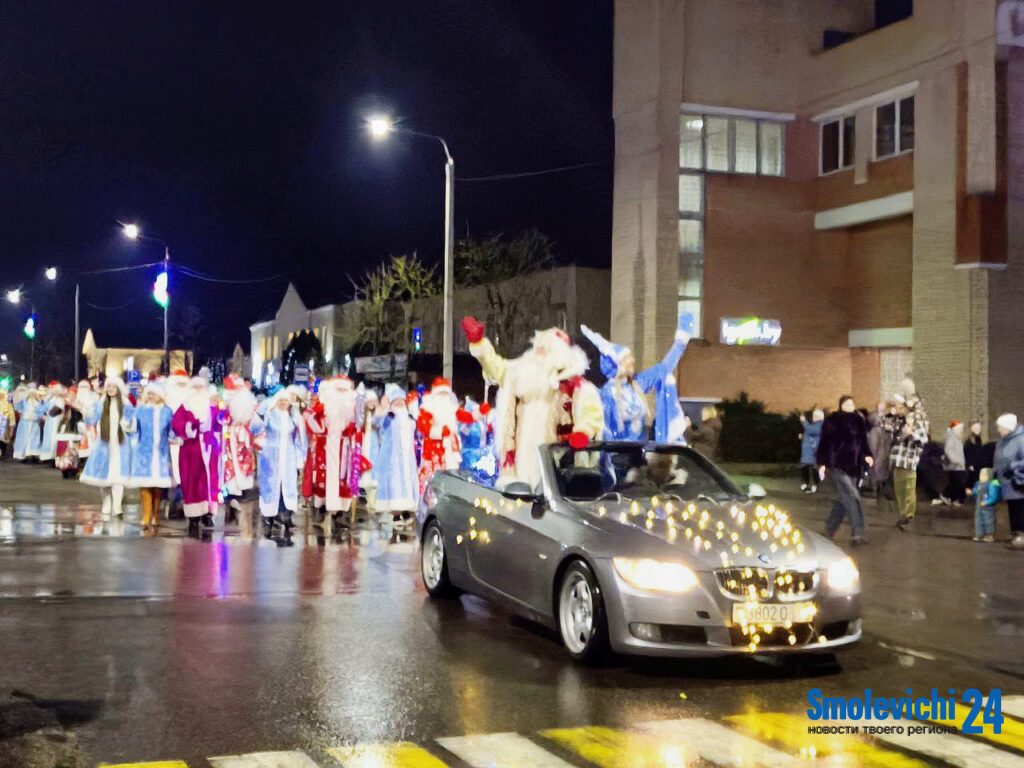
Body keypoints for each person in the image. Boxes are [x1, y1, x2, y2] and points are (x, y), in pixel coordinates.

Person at [462, 316, 604, 488]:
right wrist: (479, 344)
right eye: (538, 347)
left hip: (557, 461)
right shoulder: (518, 374)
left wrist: (583, 431)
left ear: (559, 354)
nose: (538, 351)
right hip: (521, 457)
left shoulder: (575, 386)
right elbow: (496, 366)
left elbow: (591, 412)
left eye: (544, 348)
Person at [578, 312, 694, 443]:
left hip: (638, 456)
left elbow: (663, 369)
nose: (632, 360)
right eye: (626, 358)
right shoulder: (603, 393)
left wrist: (680, 343)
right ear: (615, 364)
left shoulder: (637, 385)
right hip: (613, 457)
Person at [816, 395, 873, 545]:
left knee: (844, 499)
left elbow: (863, 442)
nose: (850, 405)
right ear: (841, 405)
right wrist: (822, 462)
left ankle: (829, 529)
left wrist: (867, 455)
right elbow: (824, 442)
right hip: (837, 465)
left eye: (852, 403)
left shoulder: (858, 420)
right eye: (847, 403)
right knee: (853, 496)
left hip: (854, 466)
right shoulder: (832, 421)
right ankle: (858, 533)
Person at [252, 389, 307, 543]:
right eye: (280, 400)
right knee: (271, 486)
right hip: (271, 457)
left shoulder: (294, 417)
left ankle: (286, 516)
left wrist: (299, 457)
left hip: (288, 457)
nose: (283, 403)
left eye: (285, 401)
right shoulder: (270, 415)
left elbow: (300, 438)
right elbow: (255, 429)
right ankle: (269, 517)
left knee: (288, 486)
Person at [172, 377, 224, 538]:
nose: (198, 391)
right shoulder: (185, 406)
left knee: (210, 482)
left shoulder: (211, 407)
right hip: (191, 449)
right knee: (192, 482)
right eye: (196, 388)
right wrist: (190, 426)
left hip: (209, 448)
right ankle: (193, 518)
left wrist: (222, 418)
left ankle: (208, 514)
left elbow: (220, 422)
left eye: (201, 388)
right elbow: (177, 424)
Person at [80, 377, 132, 517]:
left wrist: (127, 424)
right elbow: (91, 420)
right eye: (109, 387)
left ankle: (117, 506)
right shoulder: (101, 403)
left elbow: (132, 423)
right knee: (104, 477)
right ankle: (106, 502)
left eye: (113, 387)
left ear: (118, 389)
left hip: (121, 445)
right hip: (104, 444)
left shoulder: (126, 404)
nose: (110, 389)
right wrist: (87, 411)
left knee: (118, 477)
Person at [125, 382, 174, 532]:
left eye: (154, 394)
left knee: (158, 488)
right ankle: (145, 516)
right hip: (143, 452)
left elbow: (172, 431)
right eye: (150, 394)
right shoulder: (141, 410)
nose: (151, 396)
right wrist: (128, 424)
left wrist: (177, 437)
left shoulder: (167, 411)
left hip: (161, 453)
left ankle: (155, 515)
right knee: (144, 486)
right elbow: (133, 430)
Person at [372, 384, 420, 522]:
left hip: (408, 460)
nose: (399, 403)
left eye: (401, 401)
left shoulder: (410, 418)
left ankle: (407, 511)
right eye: (396, 401)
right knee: (395, 487)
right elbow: (376, 422)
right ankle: (396, 515)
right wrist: (382, 408)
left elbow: (419, 431)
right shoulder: (389, 417)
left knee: (409, 484)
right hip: (392, 461)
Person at [888, 379, 930, 530]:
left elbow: (923, 439)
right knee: (899, 490)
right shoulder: (899, 419)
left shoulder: (918, 417)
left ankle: (908, 516)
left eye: (900, 407)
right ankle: (902, 515)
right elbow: (888, 429)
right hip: (897, 459)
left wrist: (910, 433)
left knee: (908, 490)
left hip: (909, 459)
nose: (897, 409)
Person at [416, 378, 462, 496]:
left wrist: (478, 414)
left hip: (449, 451)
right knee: (432, 480)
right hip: (433, 451)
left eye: (445, 393)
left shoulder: (452, 408)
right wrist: (440, 432)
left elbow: (464, 416)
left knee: (450, 478)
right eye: (441, 393)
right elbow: (423, 427)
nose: (443, 396)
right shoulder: (427, 407)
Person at [993, 413, 1024, 548]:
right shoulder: (1003, 440)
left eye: (1001, 427)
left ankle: (1021, 535)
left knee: (1019, 508)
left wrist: (1012, 467)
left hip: (1018, 480)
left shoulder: (1020, 439)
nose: (999, 430)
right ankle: (1016, 533)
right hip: (1006, 480)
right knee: (1012, 508)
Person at [54, 386, 84, 479]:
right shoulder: (63, 404)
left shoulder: (79, 404)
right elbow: (53, 412)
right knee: (62, 451)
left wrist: (75, 407)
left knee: (73, 451)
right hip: (63, 431)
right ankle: (64, 469)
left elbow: (80, 417)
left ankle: (73, 470)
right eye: (69, 394)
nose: (70, 396)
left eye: (72, 394)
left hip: (74, 431)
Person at [12, 386, 44, 461]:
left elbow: (41, 411)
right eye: (31, 394)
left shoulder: (37, 403)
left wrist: (39, 416)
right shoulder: (24, 401)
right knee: (24, 438)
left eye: (33, 394)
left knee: (34, 439)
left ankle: (32, 454)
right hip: (25, 423)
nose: (32, 396)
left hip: (34, 423)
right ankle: (23, 455)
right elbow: (17, 406)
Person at [37, 381, 66, 463]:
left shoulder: (60, 399)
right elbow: (42, 408)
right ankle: (48, 456)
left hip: (56, 420)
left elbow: (58, 410)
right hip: (50, 421)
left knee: (55, 437)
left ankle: (54, 456)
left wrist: (49, 414)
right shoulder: (49, 399)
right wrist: (43, 414)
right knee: (49, 437)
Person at [940, 421, 967, 505]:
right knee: (956, 483)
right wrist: (957, 461)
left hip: (958, 466)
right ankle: (948, 496)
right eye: (959, 429)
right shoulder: (951, 439)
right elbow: (949, 452)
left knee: (955, 483)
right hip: (953, 466)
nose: (961, 431)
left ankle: (951, 498)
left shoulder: (957, 438)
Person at [971, 467, 1000, 543]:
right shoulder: (978, 483)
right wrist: (971, 492)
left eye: (984, 476)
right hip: (979, 507)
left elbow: (993, 496)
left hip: (988, 508)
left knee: (989, 520)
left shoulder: (993, 484)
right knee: (978, 520)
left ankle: (989, 535)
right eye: (981, 476)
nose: (982, 478)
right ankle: (979, 534)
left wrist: (987, 502)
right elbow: (975, 491)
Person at [799, 409, 824, 493]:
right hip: (807, 452)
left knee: (814, 469)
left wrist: (803, 421)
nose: (814, 417)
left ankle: (815, 484)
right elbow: (809, 432)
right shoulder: (813, 425)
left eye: (815, 416)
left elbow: (810, 430)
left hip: (814, 451)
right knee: (804, 468)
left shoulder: (821, 424)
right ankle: (806, 483)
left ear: (820, 417)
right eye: (813, 416)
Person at [964, 420, 988, 488]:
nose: (978, 429)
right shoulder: (969, 442)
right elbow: (967, 455)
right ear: (972, 429)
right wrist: (970, 465)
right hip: (972, 470)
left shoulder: (978, 439)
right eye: (976, 428)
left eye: (979, 428)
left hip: (978, 467)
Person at [0, 389, 15, 460]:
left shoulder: (7, 404)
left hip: (4, 423)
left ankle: (3, 451)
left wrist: (12, 422)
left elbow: (11, 413)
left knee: (4, 438)